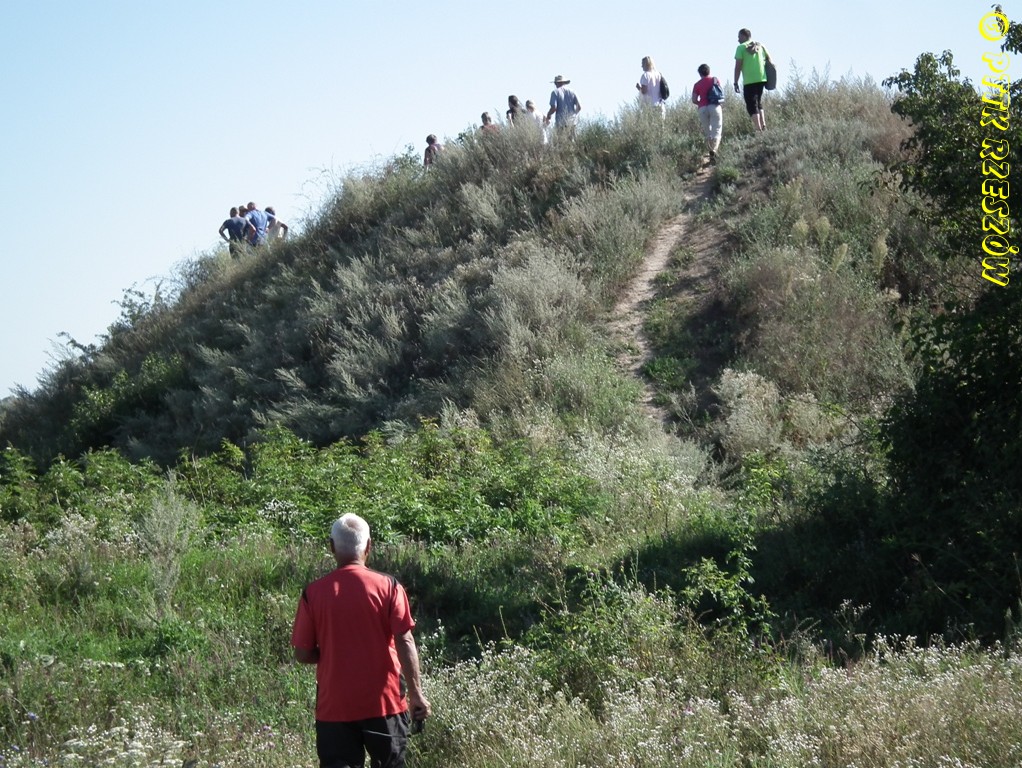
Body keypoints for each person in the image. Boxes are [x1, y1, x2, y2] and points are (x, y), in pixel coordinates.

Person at [292, 513, 431, 768]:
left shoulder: (313, 593)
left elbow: (302, 654)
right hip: (385, 704)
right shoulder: (389, 587)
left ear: (331, 547)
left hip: (334, 707)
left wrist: (330, 653)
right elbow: (405, 641)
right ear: (368, 546)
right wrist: (416, 695)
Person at [733, 28, 772, 131]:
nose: (738, 39)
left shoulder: (741, 47)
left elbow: (738, 66)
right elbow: (769, 60)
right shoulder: (760, 46)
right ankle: (763, 125)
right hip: (761, 78)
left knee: (751, 105)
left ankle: (758, 129)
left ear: (744, 36)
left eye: (739, 37)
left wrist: (735, 82)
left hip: (749, 80)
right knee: (758, 102)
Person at [692, 64, 724, 164]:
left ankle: (710, 152)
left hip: (702, 108)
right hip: (714, 106)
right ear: (709, 71)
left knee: (708, 132)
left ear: (699, 73)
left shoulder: (697, 84)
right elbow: (719, 93)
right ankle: (714, 151)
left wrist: (700, 103)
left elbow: (694, 99)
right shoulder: (715, 80)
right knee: (716, 130)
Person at [545, 75, 582, 139]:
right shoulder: (572, 91)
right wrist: (574, 114)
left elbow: (554, 107)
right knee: (573, 140)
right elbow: (579, 107)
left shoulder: (555, 92)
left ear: (556, 83)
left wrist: (549, 114)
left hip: (561, 122)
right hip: (572, 122)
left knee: (561, 141)